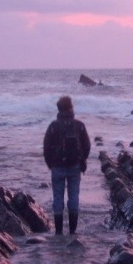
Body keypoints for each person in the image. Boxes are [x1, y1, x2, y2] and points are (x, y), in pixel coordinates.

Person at [42, 95, 91, 235]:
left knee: (57, 198)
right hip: (75, 166)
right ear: (71, 108)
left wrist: (50, 163)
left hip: (57, 167)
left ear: (58, 109)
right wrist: (82, 160)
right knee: (74, 197)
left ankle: (58, 233)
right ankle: (72, 232)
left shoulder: (53, 126)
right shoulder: (79, 125)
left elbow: (46, 147)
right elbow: (87, 145)